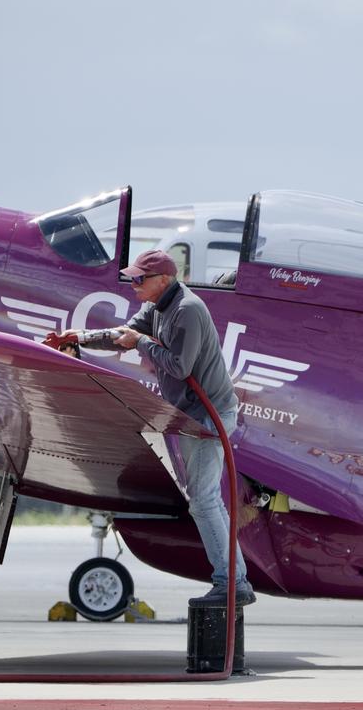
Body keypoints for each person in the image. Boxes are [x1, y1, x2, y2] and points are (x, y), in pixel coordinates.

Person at [44, 249, 253, 606]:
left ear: (164, 280)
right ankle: (235, 581)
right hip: (193, 415)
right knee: (207, 502)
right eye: (133, 277)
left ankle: (231, 585)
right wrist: (80, 338)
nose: (134, 283)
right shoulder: (159, 306)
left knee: (203, 502)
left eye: (141, 278)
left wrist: (140, 343)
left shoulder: (187, 310)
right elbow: (125, 333)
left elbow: (178, 366)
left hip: (208, 416)